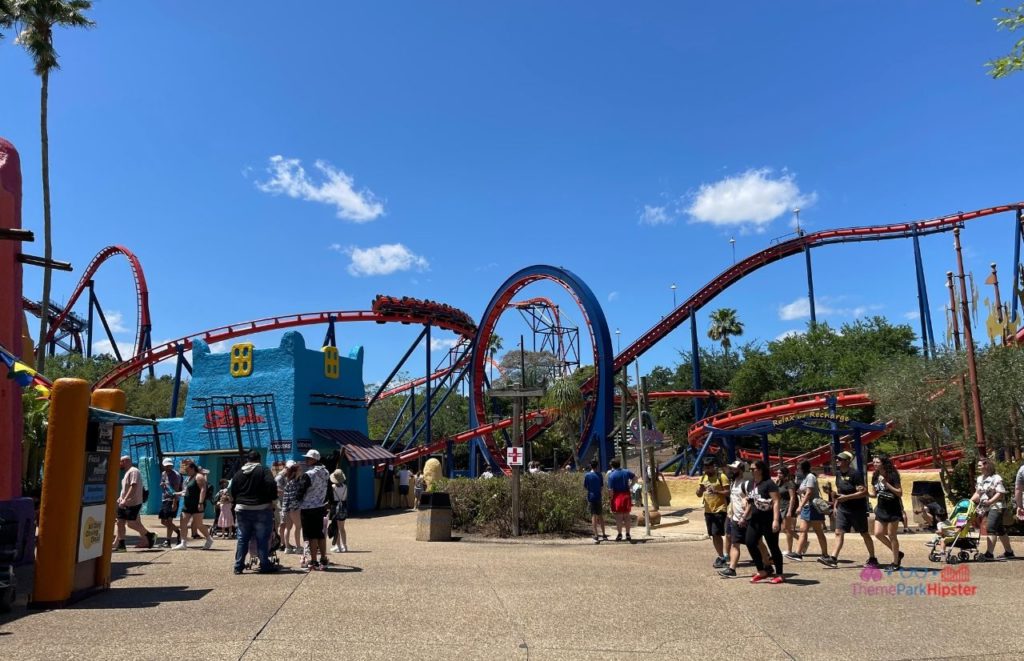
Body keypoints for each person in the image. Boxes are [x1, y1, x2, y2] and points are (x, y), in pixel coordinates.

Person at [821, 451, 878, 568]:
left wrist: (846, 497)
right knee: (838, 532)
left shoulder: (855, 474)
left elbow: (863, 492)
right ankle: (833, 558)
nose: (837, 461)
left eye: (840, 459)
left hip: (857, 509)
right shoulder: (838, 474)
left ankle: (873, 558)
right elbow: (840, 492)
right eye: (837, 459)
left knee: (864, 533)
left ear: (847, 461)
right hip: (843, 509)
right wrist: (836, 504)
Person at [718, 460, 771, 578]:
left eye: (734, 469)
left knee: (757, 542)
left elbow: (750, 501)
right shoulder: (733, 483)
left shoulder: (746, 484)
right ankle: (732, 569)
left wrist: (744, 516)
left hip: (747, 519)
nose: (731, 471)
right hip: (736, 518)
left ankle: (767, 564)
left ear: (741, 470)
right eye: (731, 469)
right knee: (735, 543)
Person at [229, 450, 279, 574]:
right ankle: (264, 564)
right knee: (262, 538)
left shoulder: (239, 473)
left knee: (242, 538)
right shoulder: (263, 470)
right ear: (259, 459)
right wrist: (272, 499)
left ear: (247, 459)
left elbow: (232, 489)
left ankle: (238, 566)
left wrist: (236, 500)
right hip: (261, 508)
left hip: (242, 509)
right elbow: (271, 484)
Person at [743, 460, 785, 584]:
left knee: (773, 546)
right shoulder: (750, 484)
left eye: (753, 469)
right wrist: (745, 514)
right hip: (755, 519)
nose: (751, 471)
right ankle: (761, 570)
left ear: (760, 470)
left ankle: (780, 574)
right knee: (750, 542)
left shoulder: (769, 483)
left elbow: (776, 501)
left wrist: (776, 520)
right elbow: (751, 501)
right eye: (749, 469)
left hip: (769, 519)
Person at [973, 457, 1015, 561]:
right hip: (986, 507)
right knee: (1000, 530)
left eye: (980, 465)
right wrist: (968, 502)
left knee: (990, 528)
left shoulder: (996, 478)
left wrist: (990, 502)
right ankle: (1009, 552)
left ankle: (989, 554)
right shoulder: (979, 479)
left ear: (986, 466)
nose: (978, 467)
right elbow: (978, 493)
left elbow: (1000, 493)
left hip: (997, 507)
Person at [113, 455, 156, 551]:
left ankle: (150, 535)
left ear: (126, 461)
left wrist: (125, 499)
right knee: (120, 522)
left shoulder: (133, 471)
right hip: (124, 503)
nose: (120, 464)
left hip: (133, 503)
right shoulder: (127, 472)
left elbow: (134, 486)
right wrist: (121, 498)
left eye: (121, 461)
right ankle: (121, 545)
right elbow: (125, 488)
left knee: (131, 524)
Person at [870, 454, 904, 570]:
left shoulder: (892, 475)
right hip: (881, 509)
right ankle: (898, 553)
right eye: (874, 462)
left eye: (877, 462)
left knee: (891, 535)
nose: (875, 464)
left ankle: (895, 562)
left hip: (893, 508)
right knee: (878, 533)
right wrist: (864, 492)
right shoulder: (874, 476)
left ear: (883, 463)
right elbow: (874, 494)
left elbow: (899, 493)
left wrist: (886, 483)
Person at [298, 449, 330, 570]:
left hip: (308, 507)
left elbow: (300, 491)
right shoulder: (326, 472)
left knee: (311, 535)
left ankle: (314, 561)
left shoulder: (309, 474)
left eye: (308, 458)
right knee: (320, 534)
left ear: (314, 460)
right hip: (320, 506)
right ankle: (323, 558)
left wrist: (297, 500)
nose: (306, 460)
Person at [172, 459, 214, 550]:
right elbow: (186, 491)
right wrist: (177, 493)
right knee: (183, 523)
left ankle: (209, 539)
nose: (186, 472)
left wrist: (200, 503)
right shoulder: (189, 478)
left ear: (192, 468)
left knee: (198, 524)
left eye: (187, 470)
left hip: (197, 504)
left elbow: (203, 490)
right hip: (187, 504)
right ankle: (183, 543)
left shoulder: (199, 477)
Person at [792, 460, 829, 561]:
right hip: (807, 507)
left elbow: (809, 493)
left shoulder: (810, 477)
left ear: (803, 467)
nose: (797, 469)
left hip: (813, 507)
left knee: (818, 531)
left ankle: (825, 554)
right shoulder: (804, 478)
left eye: (799, 467)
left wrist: (800, 506)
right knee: (803, 530)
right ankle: (798, 553)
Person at [697, 457, 729, 567]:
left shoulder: (721, 477)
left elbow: (727, 492)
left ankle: (722, 557)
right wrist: (699, 490)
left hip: (720, 509)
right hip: (708, 510)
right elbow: (699, 494)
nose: (707, 470)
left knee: (717, 533)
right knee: (713, 535)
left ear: (714, 467)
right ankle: (721, 556)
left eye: (709, 468)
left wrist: (716, 491)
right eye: (706, 468)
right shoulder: (703, 477)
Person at [606, 458, 636, 542]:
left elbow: (610, 490)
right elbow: (635, 477)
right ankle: (628, 534)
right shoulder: (626, 472)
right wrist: (630, 486)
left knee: (619, 517)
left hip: (617, 496)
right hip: (626, 495)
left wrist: (610, 498)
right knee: (627, 516)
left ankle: (619, 534)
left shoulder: (611, 475)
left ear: (612, 465)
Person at [158, 457, 183, 548]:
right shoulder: (163, 473)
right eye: (166, 465)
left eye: (170, 465)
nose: (168, 467)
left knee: (169, 520)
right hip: (164, 499)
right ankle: (178, 532)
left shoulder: (175, 475)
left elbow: (176, 489)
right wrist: (162, 485)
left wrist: (174, 503)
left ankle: (168, 541)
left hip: (172, 499)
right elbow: (163, 484)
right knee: (163, 521)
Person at [280, 460, 302, 553]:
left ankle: (287, 547)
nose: (300, 471)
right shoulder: (296, 483)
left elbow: (286, 497)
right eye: (299, 470)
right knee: (298, 527)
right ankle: (298, 547)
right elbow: (295, 497)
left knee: (287, 528)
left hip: (287, 508)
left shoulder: (288, 482)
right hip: (295, 508)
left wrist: (284, 509)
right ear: (295, 471)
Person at [776, 465, 798, 557]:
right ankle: (802, 541)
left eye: (780, 473)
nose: (778, 474)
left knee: (787, 529)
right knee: (783, 529)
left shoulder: (790, 483)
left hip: (787, 507)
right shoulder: (778, 483)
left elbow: (792, 498)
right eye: (777, 473)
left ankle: (789, 550)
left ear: (785, 474)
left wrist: (790, 511)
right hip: (781, 507)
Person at [583, 460, 607, 543]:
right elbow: (601, 486)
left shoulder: (587, 475)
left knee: (593, 516)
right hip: (598, 496)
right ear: (597, 466)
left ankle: (596, 535)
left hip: (591, 496)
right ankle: (604, 534)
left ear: (590, 466)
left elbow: (585, 487)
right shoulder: (600, 475)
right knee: (600, 515)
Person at [329, 469, 349, 553]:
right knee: (342, 528)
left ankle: (338, 546)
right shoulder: (345, 486)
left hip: (335, 507)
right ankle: (345, 546)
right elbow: (345, 498)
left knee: (335, 528)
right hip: (343, 507)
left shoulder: (333, 487)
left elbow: (331, 499)